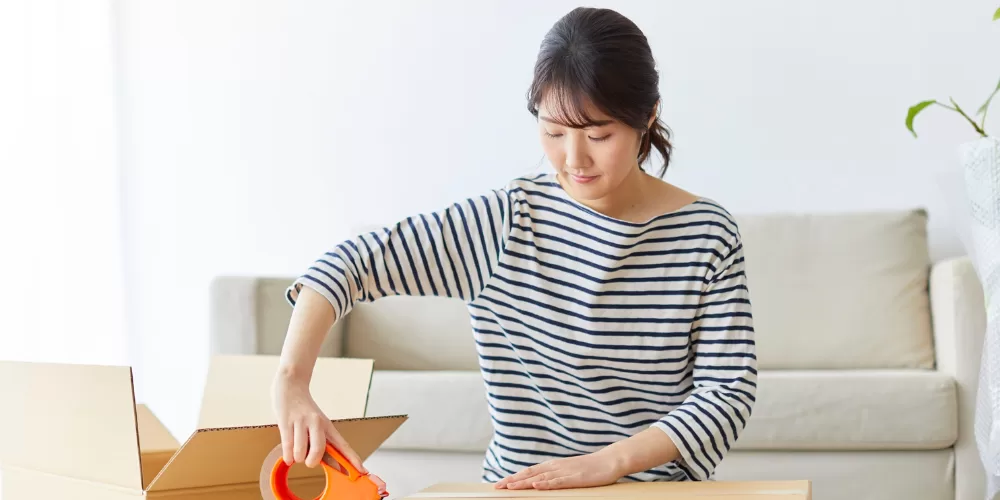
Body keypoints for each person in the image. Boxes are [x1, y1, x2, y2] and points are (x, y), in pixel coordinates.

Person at [272, 6, 756, 490]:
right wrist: (292, 381)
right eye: (554, 132)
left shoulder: (706, 235)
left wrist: (608, 462)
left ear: (647, 117)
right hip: (520, 490)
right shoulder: (505, 223)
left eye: (598, 134)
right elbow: (347, 265)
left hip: (652, 488)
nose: (574, 158)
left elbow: (727, 391)